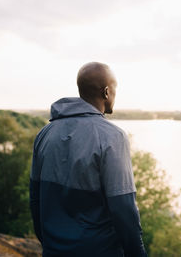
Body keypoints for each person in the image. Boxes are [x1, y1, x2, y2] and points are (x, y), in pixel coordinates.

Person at [29, 62, 147, 257]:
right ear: (107, 92)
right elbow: (123, 208)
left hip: (53, 251)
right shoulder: (112, 137)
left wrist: (50, 243)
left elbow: (35, 199)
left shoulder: (45, 133)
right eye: (115, 89)